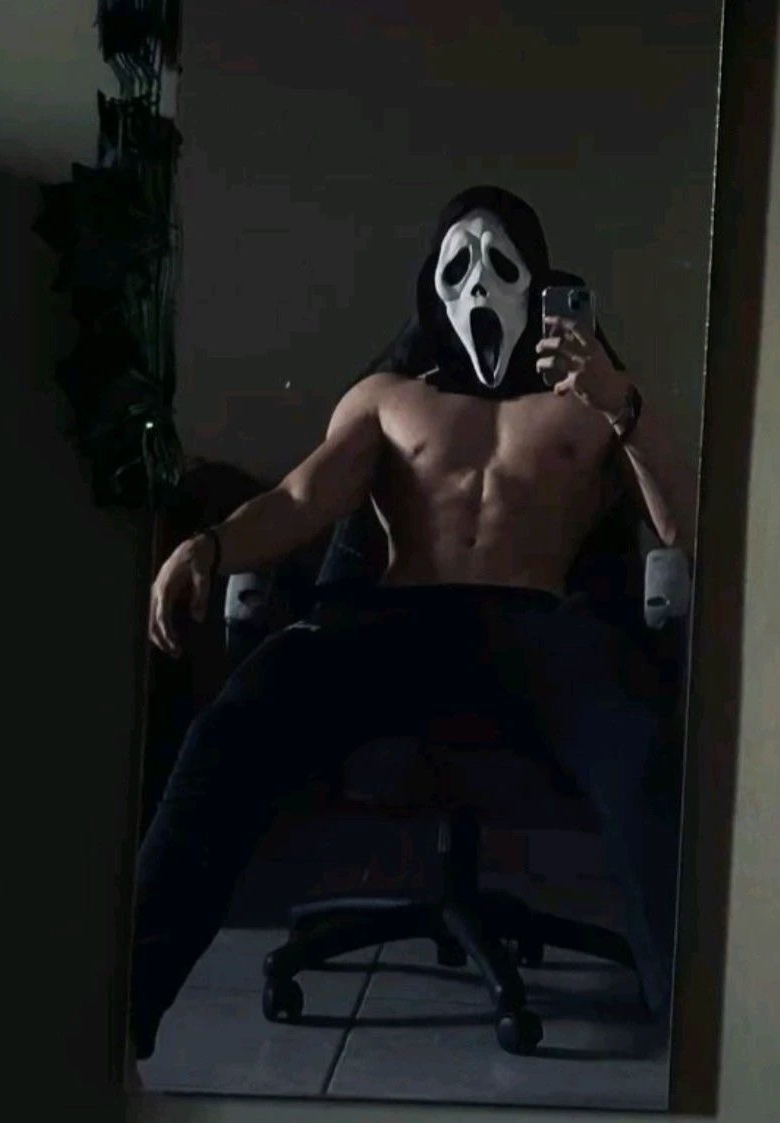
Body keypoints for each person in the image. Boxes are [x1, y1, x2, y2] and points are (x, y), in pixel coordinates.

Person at [129, 186, 692, 1070]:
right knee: (232, 726)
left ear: (540, 278)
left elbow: (681, 524)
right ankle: (123, 1005)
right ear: (430, 287)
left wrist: (620, 401)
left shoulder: (588, 405)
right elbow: (301, 499)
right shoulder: (389, 400)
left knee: (646, 745)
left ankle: (699, 1039)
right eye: (457, 266)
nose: (479, 286)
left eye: (502, 264)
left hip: (536, 627)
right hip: (395, 622)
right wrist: (208, 547)